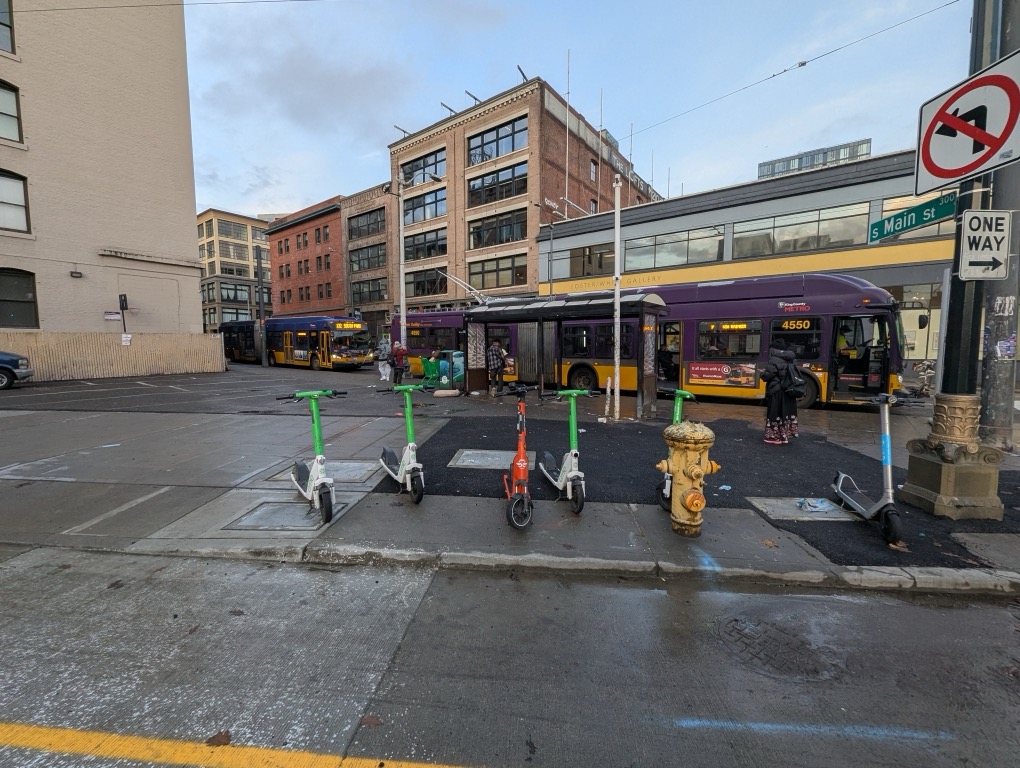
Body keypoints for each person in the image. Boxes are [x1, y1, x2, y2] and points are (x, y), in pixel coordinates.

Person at [760, 339, 798, 445]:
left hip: (777, 390)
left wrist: (762, 374)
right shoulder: (791, 359)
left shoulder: (774, 359)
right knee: (785, 412)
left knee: (774, 412)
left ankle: (773, 437)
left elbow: (768, 375)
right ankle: (784, 437)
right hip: (788, 391)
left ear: (773, 349)